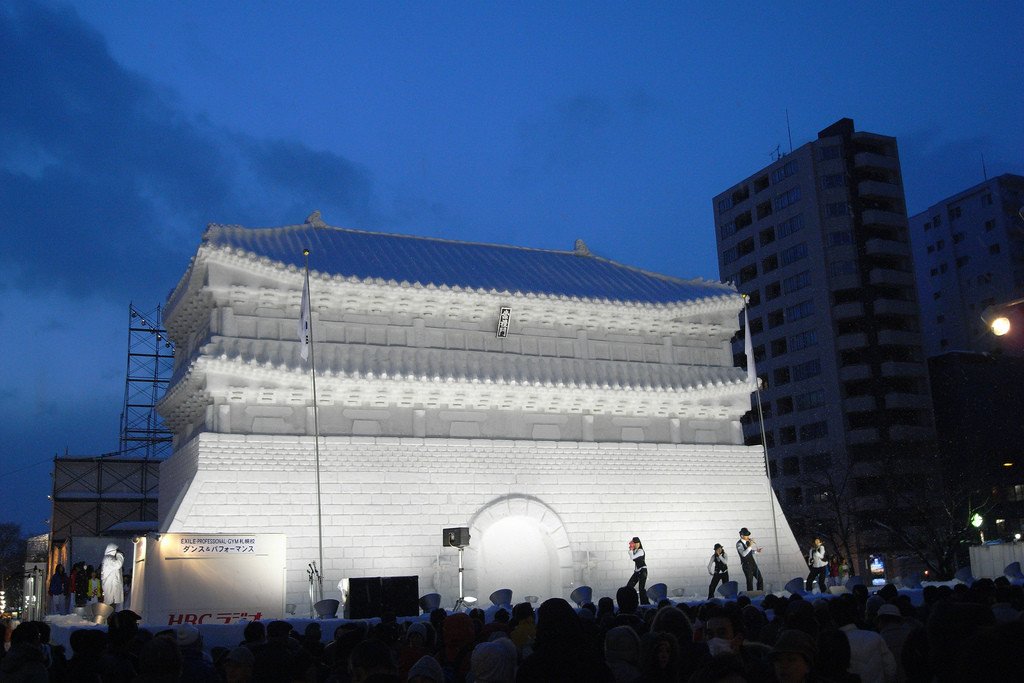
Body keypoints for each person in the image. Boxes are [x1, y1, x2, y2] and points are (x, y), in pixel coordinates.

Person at [100, 544, 125, 609]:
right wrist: (120, 555)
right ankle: (108, 617)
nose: (117, 551)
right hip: (110, 585)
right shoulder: (108, 558)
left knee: (111, 604)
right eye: (116, 550)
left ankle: (109, 616)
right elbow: (118, 564)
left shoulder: (108, 558)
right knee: (109, 604)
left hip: (111, 584)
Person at [626, 536, 649, 606]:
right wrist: (631, 550)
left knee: (641, 588)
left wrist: (630, 550)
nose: (634, 545)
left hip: (643, 571)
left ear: (638, 543)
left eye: (635, 543)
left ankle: (644, 604)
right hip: (637, 571)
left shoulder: (640, 551)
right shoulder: (635, 551)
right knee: (629, 586)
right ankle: (631, 602)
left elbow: (632, 557)